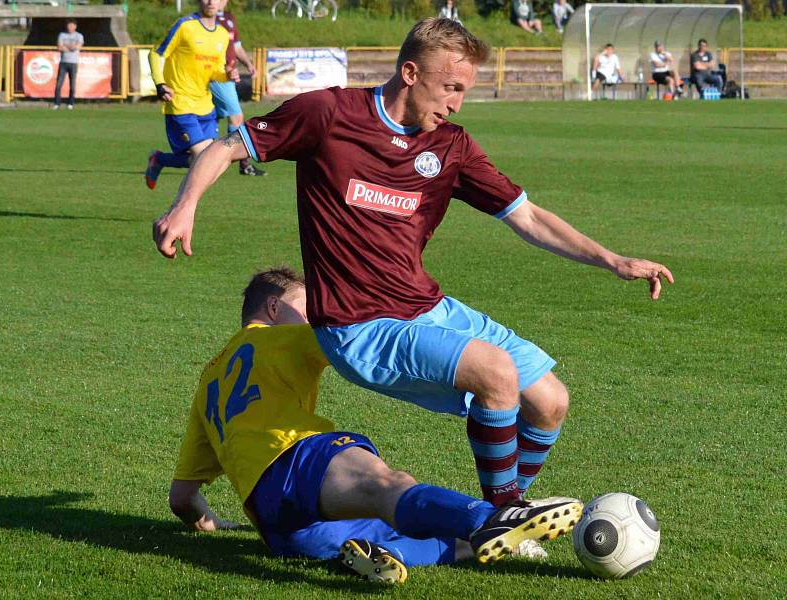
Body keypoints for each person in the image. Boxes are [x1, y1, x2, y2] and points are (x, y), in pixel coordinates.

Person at [153, 19, 673, 512]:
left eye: (464, 90)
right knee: (494, 372)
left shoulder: (452, 146)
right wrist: (185, 205)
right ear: (410, 73)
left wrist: (614, 260)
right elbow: (226, 147)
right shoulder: (328, 114)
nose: (456, 102)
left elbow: (528, 217)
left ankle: (499, 514)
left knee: (550, 400)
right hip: (358, 324)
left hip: (425, 306)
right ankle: (502, 516)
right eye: (450, 87)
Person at [169, 267, 583, 584]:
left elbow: (182, 497)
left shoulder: (208, 382)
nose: (319, 315)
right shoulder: (277, 338)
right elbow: (354, 335)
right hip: (297, 457)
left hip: (276, 525)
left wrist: (211, 525)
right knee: (390, 485)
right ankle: (493, 517)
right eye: (308, 306)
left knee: (419, 537)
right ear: (275, 309)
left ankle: (405, 550)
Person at [144, 0, 239, 190]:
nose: (211, 2)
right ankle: (180, 208)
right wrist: (161, 84)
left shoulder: (222, 34)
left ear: (223, 2)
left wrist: (227, 74)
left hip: (205, 105)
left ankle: (160, 159)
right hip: (180, 102)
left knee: (208, 161)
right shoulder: (185, 26)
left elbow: (215, 71)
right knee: (205, 158)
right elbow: (155, 54)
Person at [212, 0, 266, 177]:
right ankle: (241, 162)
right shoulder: (202, 21)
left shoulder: (229, 18)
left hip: (227, 76)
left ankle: (161, 159)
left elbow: (236, 47)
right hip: (215, 75)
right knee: (237, 117)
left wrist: (248, 64)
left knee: (214, 119)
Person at [52, 19, 83, 110]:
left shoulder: (79, 35)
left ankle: (71, 103)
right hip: (63, 62)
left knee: (72, 84)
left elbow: (78, 46)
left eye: (72, 25)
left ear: (75, 26)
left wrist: (67, 46)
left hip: (73, 62)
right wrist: (69, 47)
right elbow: (59, 47)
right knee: (58, 84)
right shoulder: (62, 35)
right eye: (69, 25)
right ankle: (57, 103)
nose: (70, 27)